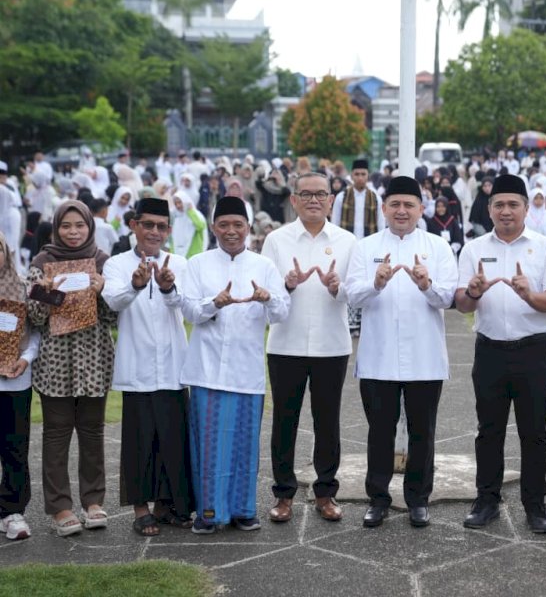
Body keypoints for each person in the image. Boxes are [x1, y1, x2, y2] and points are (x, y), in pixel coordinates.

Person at [344, 176, 458, 528]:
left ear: (421, 209)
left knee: (423, 432)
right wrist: (375, 282)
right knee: (380, 431)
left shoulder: (438, 247)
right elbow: (352, 295)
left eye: (409, 205)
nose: (402, 211)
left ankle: (418, 499)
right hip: (378, 357)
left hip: (425, 357)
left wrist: (427, 284)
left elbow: (448, 298)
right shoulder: (366, 247)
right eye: (395, 204)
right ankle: (378, 498)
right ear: (384, 208)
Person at [455, 174, 546, 533]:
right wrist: (473, 291)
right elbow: (462, 304)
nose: (506, 211)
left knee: (534, 431)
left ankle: (535, 504)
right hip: (490, 351)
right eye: (499, 204)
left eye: (513, 204)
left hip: (532, 351)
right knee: (489, 430)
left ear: (526, 208)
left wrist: (529, 295)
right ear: (489, 209)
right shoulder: (473, 249)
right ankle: (486, 499)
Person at [180, 196, 289, 535]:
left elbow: (282, 312)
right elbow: (189, 311)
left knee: (244, 445)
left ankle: (244, 510)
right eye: (224, 225)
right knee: (209, 447)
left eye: (237, 225)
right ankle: (208, 513)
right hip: (207, 371)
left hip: (246, 371)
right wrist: (214, 303)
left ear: (248, 228)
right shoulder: (197, 264)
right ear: (214, 227)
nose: (231, 231)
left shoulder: (263, 265)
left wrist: (268, 298)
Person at [261, 172, 357, 524]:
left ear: (331, 200)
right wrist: (287, 285)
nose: (314, 200)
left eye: (321, 194)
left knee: (327, 421)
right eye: (306, 194)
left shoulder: (348, 241)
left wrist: (337, 287)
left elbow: (356, 293)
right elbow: (266, 294)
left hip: (331, 345)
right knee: (284, 421)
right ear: (294, 200)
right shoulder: (276, 240)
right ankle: (283, 493)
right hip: (286, 343)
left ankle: (325, 492)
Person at [102, 198, 194, 537]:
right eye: (148, 224)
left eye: (161, 226)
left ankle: (168, 506)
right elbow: (113, 301)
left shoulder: (180, 263)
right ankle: (141, 509)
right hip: (137, 364)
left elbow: (188, 308)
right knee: (139, 442)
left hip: (172, 364)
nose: (154, 231)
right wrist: (137, 285)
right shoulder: (116, 264)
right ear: (134, 225)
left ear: (168, 230)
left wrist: (169, 288)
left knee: (174, 440)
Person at [27, 200, 116, 537]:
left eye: (80, 225)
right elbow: (34, 319)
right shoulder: (42, 263)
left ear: (90, 227)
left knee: (92, 431)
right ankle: (60, 507)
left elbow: (114, 316)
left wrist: (102, 290)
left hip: (94, 358)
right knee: (56, 432)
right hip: (55, 362)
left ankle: (93, 502)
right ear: (55, 228)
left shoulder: (103, 262)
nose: (73, 232)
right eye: (66, 226)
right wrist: (47, 295)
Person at [0, 232, 40, 540]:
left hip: (15, 381)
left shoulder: (23, 288)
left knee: (14, 448)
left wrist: (25, 359)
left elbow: (36, 333)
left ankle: (12, 511)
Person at [331, 160, 384, 338]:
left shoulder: (375, 197)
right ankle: (350, 324)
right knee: (349, 283)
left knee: (367, 284)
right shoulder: (341, 197)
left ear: (368, 176)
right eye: (357, 174)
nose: (360, 177)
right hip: (347, 248)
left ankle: (364, 325)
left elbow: (381, 226)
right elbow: (335, 225)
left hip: (369, 249)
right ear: (351, 175)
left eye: (363, 174)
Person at [170, 191, 208, 259]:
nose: (178, 206)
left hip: (193, 253)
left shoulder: (196, 214)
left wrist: (190, 212)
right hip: (178, 254)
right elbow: (173, 238)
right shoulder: (176, 216)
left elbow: (200, 227)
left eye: (180, 202)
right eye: (175, 203)